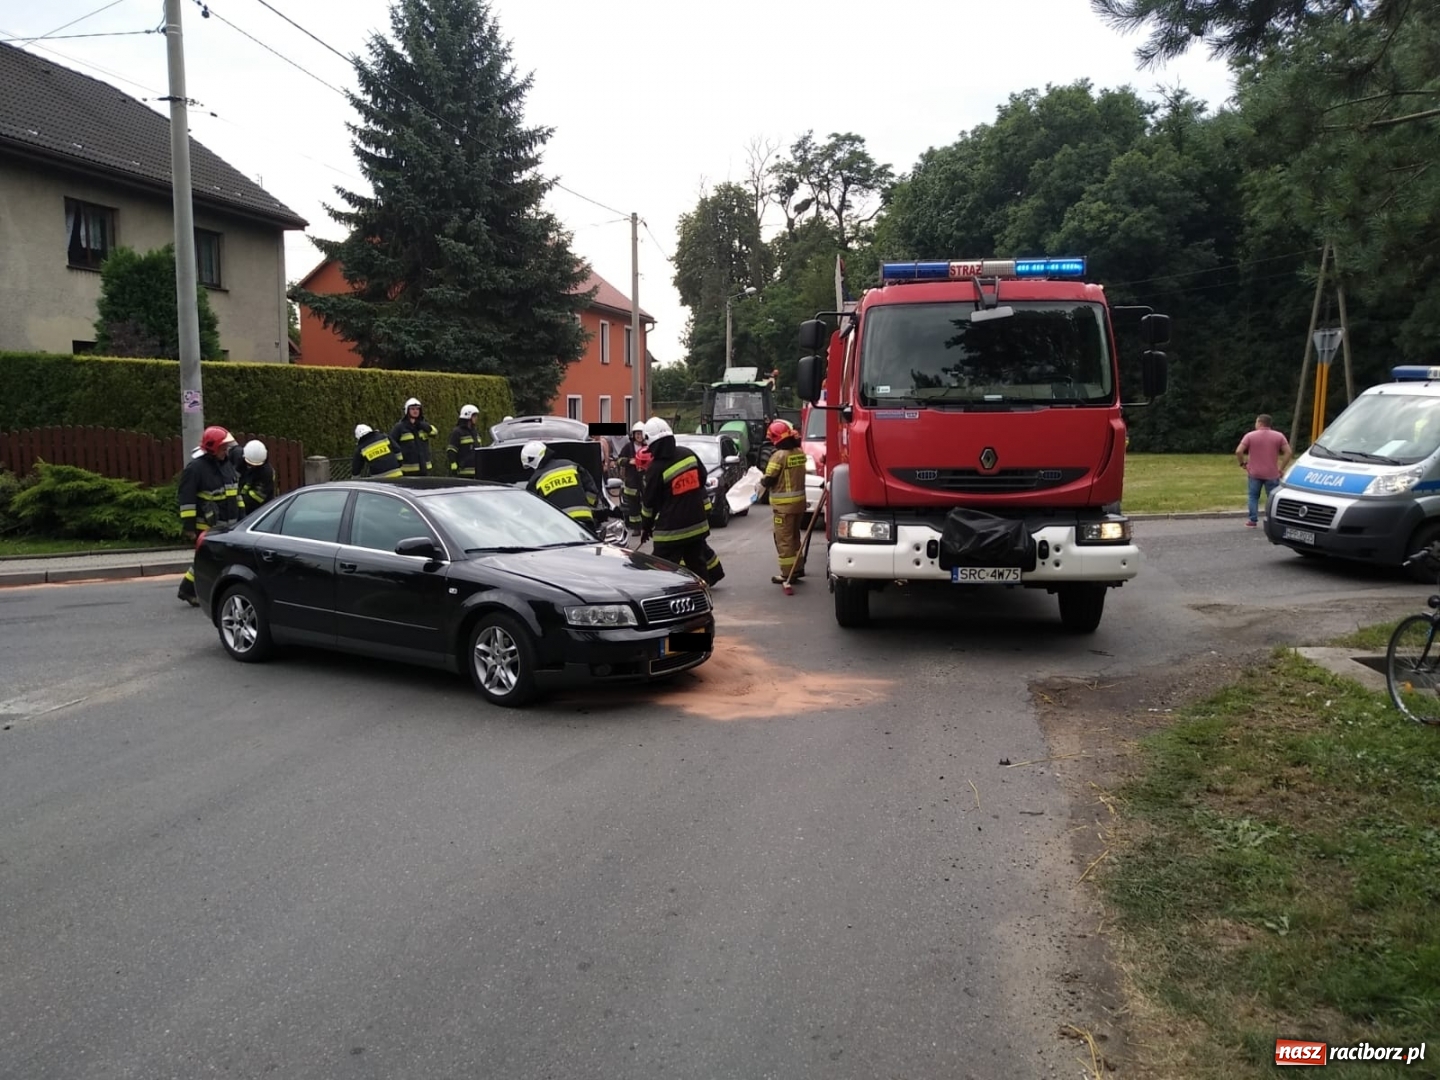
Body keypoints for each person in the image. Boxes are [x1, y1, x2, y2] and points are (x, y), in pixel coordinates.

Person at [639, 417, 724, 586]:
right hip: (697, 525)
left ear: (652, 443)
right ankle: (703, 597)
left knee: (661, 570)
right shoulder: (688, 454)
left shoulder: (655, 469)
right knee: (698, 566)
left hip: (671, 532)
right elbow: (702, 477)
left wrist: (646, 527)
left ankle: (665, 605)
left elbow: (649, 504)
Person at [176, 425, 239, 607]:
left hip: (228, 524)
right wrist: (189, 527)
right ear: (212, 447)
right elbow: (186, 500)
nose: (225, 451)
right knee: (208, 560)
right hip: (207, 525)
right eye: (222, 447)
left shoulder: (226, 465)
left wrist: (242, 518)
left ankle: (196, 590)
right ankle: (188, 590)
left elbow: (236, 494)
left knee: (215, 560)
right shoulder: (196, 468)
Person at [760, 419, 809, 584]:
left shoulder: (778, 456)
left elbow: (768, 480)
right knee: (795, 536)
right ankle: (798, 567)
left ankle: (788, 573)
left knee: (784, 539)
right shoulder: (798, 452)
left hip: (783, 507)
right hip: (799, 504)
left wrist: (758, 481)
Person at [521, 440, 603, 532]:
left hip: (559, 527)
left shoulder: (535, 480)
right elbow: (592, 491)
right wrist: (585, 504)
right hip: (584, 521)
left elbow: (534, 510)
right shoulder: (571, 465)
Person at [1236, 413, 1292, 527]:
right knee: (1272, 497)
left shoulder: (1250, 436)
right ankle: (1273, 520)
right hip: (1272, 473)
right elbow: (1289, 452)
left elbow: (1239, 451)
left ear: (1260, 423)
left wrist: (1242, 463)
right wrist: (1281, 468)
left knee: (1253, 496)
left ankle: (1252, 520)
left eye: (1256, 422)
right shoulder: (1279, 436)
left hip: (1254, 472)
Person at [390, 397, 439, 476]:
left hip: (424, 469)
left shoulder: (423, 426)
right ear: (407, 411)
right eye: (412, 409)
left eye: (417, 409)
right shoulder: (400, 427)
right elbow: (391, 443)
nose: (415, 411)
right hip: (408, 470)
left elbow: (434, 433)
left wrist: (422, 425)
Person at [617, 421, 648, 532]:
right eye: (637, 434)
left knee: (647, 503)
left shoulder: (648, 447)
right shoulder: (628, 447)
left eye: (641, 434)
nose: (639, 436)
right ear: (633, 435)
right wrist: (629, 461)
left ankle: (648, 525)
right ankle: (636, 528)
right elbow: (619, 460)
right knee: (633, 506)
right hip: (632, 481)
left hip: (645, 479)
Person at [236, 439, 276, 519]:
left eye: (256, 465)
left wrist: (237, 505)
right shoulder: (239, 460)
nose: (252, 466)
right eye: (250, 464)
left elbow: (257, 497)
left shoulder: (266, 473)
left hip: (257, 512)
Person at [447, 404, 481, 478]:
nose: (476, 418)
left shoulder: (475, 432)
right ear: (468, 416)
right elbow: (451, 449)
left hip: (476, 472)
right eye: (474, 416)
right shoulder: (457, 432)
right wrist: (453, 463)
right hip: (463, 472)